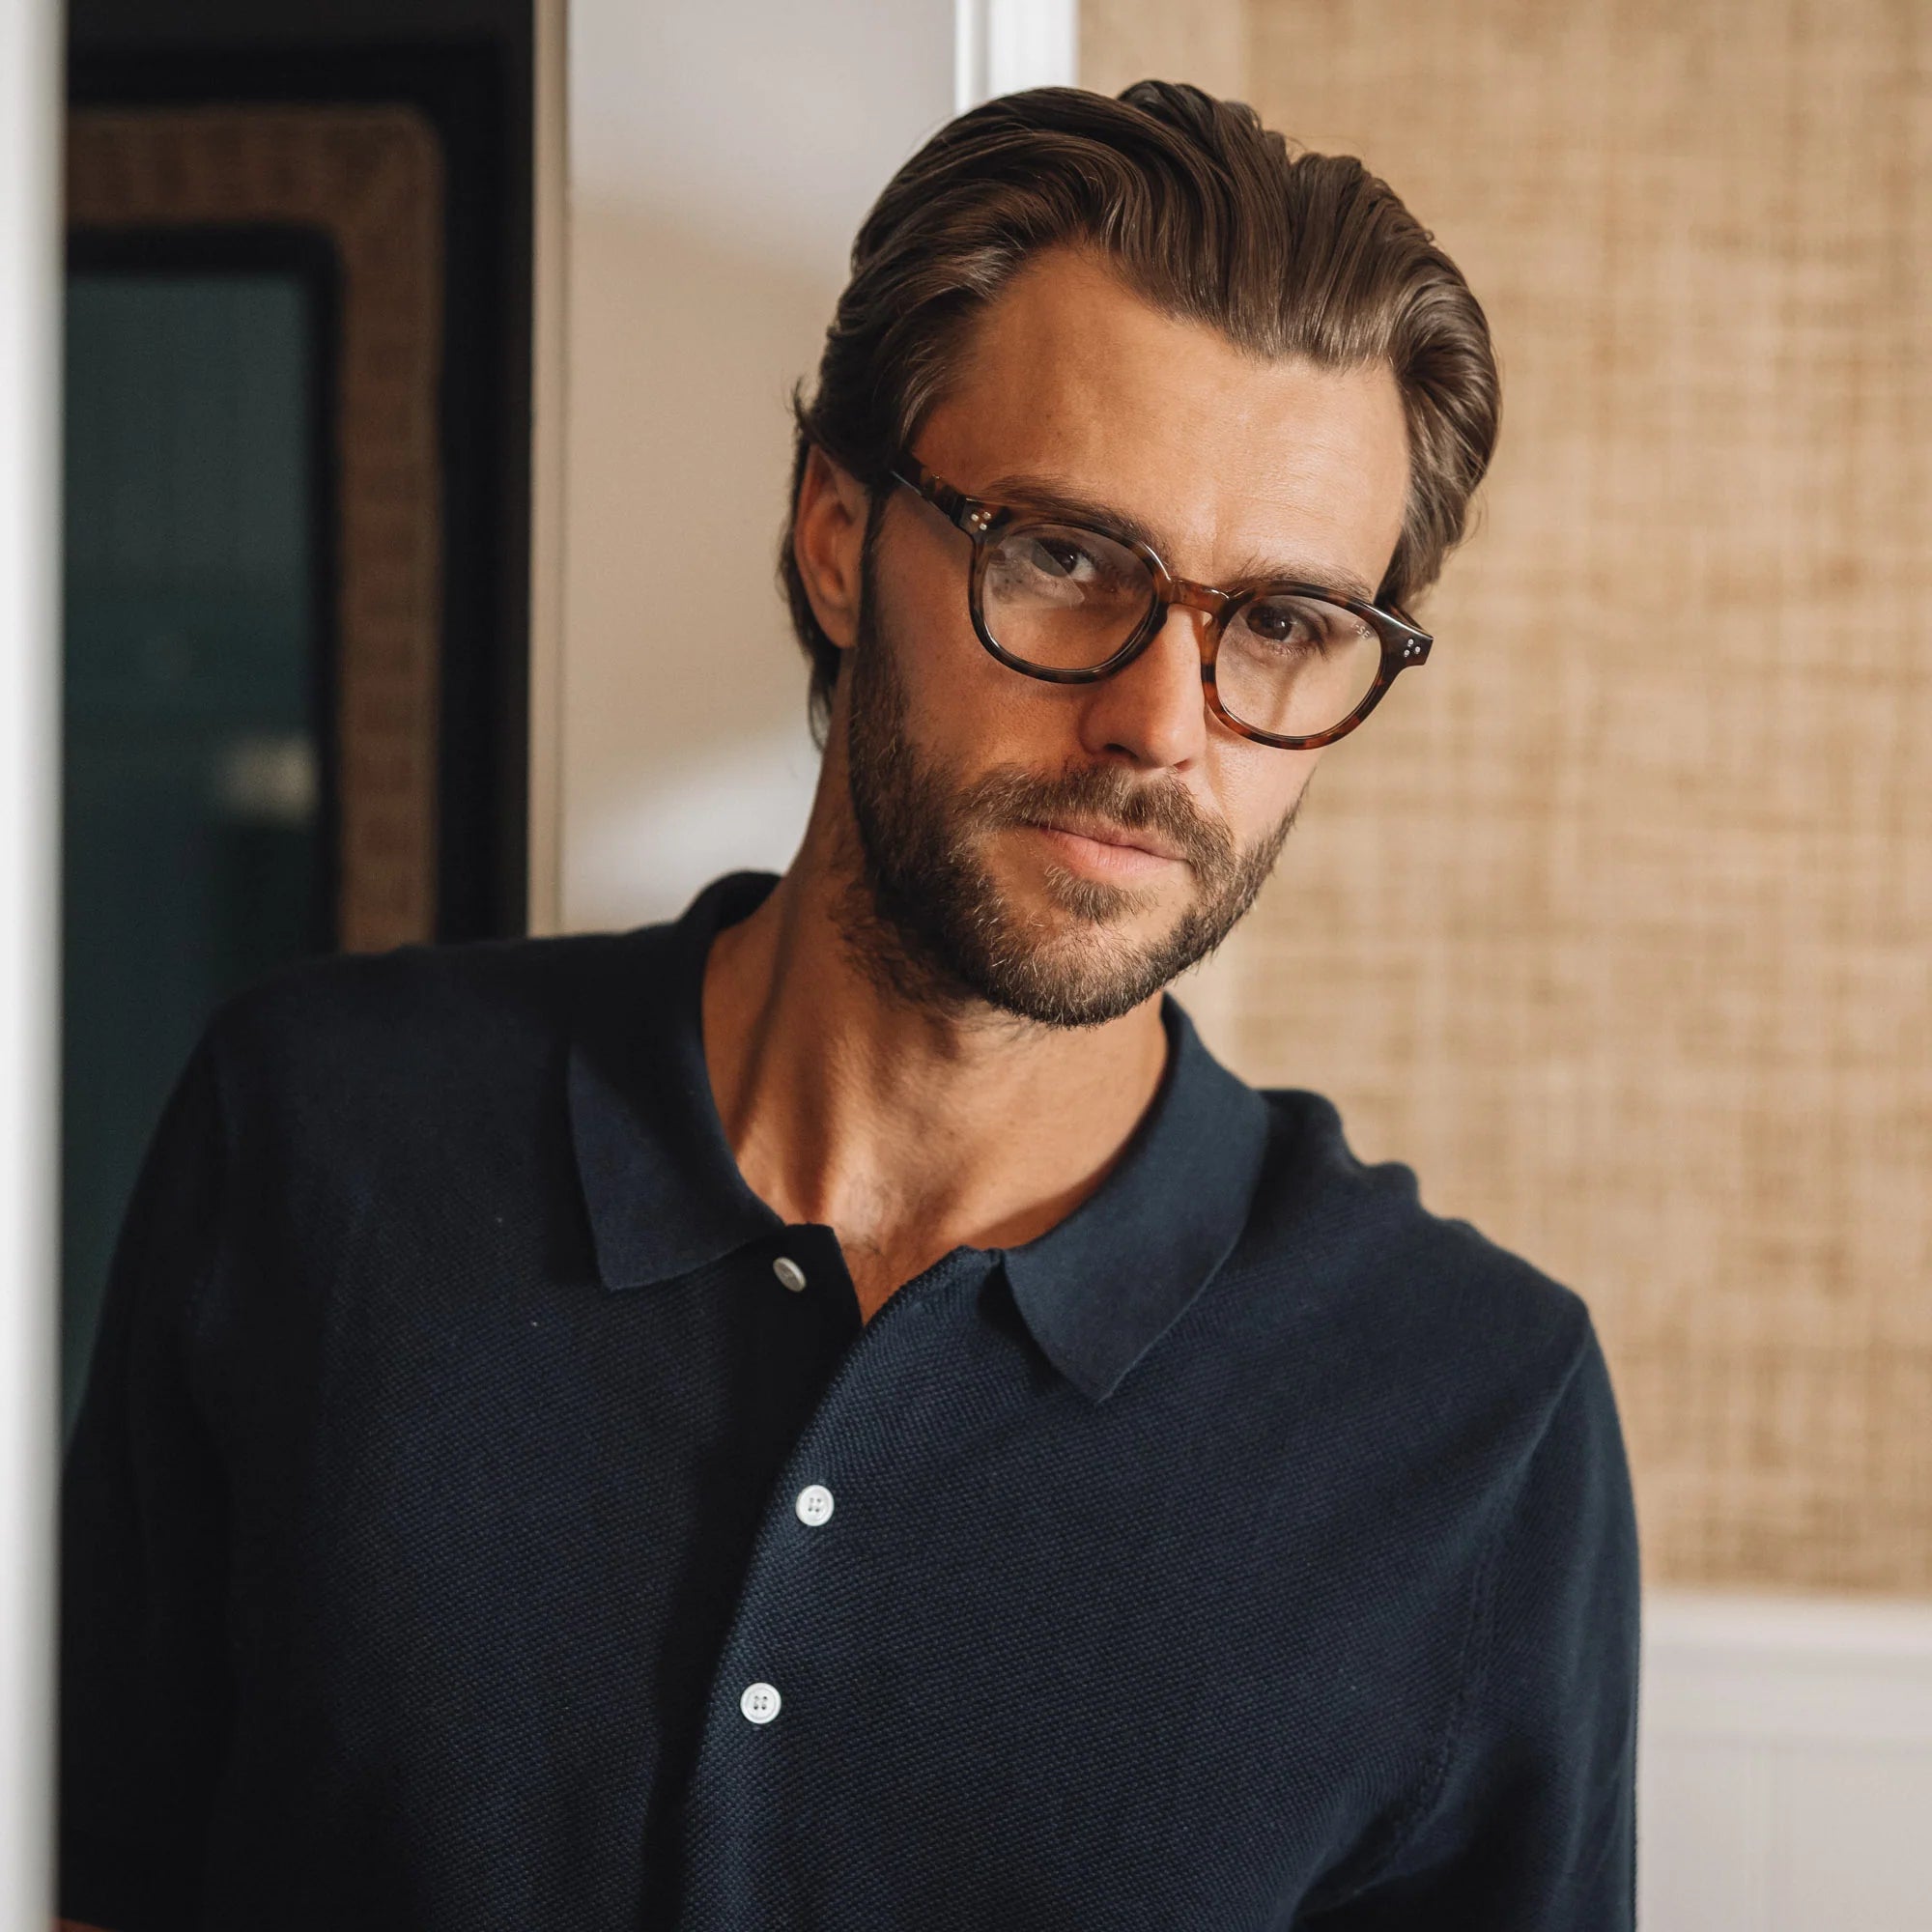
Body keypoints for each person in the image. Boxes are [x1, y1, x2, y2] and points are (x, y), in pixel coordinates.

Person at [58, 80, 1639, 1932]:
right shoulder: (314, 1134)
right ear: (834, 532)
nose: (1158, 723)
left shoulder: (1473, 1417)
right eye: (1063, 558)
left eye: (1284, 625)